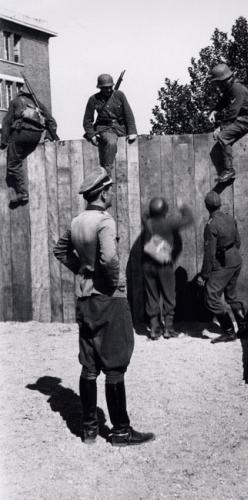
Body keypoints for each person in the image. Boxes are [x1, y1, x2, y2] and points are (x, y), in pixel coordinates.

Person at [53, 167, 154, 446]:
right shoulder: (104, 221)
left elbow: (60, 250)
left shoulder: (76, 221)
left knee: (89, 363)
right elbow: (109, 259)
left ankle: (88, 429)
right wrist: (110, 283)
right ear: (103, 193)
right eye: (109, 190)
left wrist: (83, 271)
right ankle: (121, 430)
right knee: (115, 361)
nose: (111, 194)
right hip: (108, 298)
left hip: (85, 298)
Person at [197, 191, 247, 343]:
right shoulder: (229, 218)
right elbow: (238, 242)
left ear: (207, 207)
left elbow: (209, 254)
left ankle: (229, 331)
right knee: (231, 296)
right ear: (219, 204)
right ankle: (243, 328)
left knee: (211, 295)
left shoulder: (211, 225)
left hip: (224, 263)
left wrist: (204, 276)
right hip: (235, 259)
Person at [142, 197, 194, 340]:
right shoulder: (169, 223)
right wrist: (182, 205)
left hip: (147, 264)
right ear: (164, 210)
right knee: (169, 296)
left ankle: (154, 330)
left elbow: (145, 215)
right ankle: (168, 329)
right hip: (164, 264)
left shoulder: (147, 222)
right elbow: (188, 219)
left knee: (151, 295)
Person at [0, 84, 58, 207]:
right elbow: (52, 122)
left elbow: (6, 122)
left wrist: (4, 142)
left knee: (13, 164)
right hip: (36, 136)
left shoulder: (15, 101)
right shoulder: (37, 103)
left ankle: (22, 192)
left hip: (21, 133)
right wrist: (48, 137)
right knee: (21, 157)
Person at [208, 63, 248, 184]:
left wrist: (221, 128)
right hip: (244, 118)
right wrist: (214, 111)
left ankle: (229, 170)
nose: (217, 86)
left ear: (223, 81)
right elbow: (223, 101)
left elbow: (233, 112)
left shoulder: (236, 88)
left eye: (218, 83)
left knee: (223, 137)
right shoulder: (231, 88)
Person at [83, 74, 137, 173]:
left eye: (110, 87)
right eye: (105, 88)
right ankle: (107, 170)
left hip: (120, 127)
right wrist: (92, 135)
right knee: (111, 142)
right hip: (105, 128)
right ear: (100, 88)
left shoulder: (119, 95)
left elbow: (128, 113)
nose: (108, 90)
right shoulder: (94, 99)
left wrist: (132, 131)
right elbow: (87, 120)